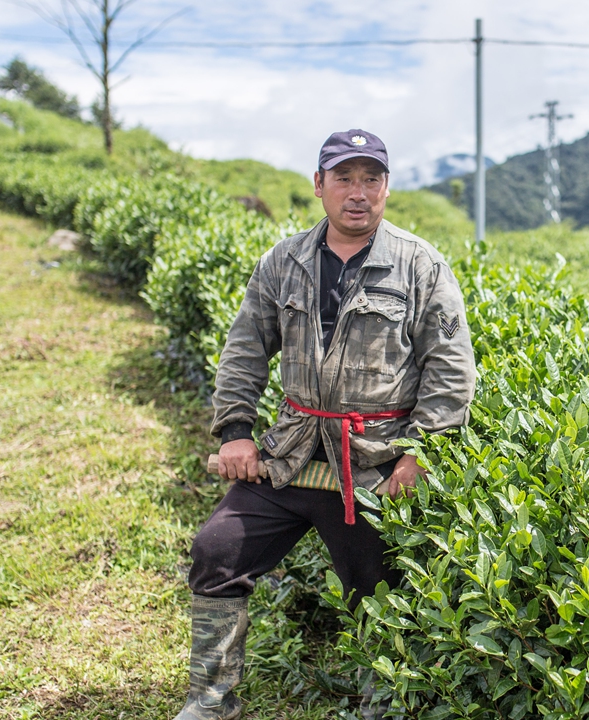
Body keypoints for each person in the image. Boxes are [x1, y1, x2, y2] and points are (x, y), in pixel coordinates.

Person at [174, 129, 476, 720]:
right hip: (290, 453)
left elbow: (450, 370)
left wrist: (418, 455)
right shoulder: (280, 262)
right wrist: (235, 430)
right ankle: (210, 702)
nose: (357, 193)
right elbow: (243, 351)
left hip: (373, 465)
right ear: (319, 185)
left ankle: (380, 700)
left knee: (378, 592)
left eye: (371, 178)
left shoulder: (421, 266)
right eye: (344, 177)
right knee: (216, 552)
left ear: (387, 188)